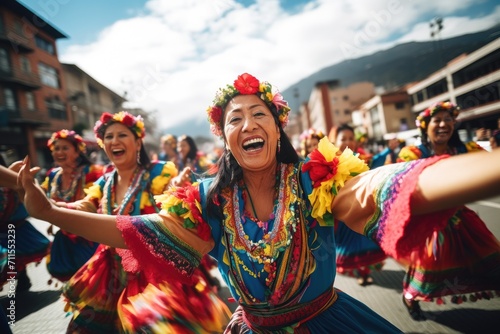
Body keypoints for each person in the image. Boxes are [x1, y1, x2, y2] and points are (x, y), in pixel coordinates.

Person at [17, 73, 500, 333]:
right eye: (234, 119)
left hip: (327, 322)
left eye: (258, 114)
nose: (247, 123)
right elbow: (140, 230)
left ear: (276, 126)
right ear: (224, 138)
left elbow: (394, 184)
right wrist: (50, 212)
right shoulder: (207, 198)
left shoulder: (317, 180)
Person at [57, 112, 230, 333]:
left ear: (138, 142)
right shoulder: (104, 181)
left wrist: (176, 186)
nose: (115, 141)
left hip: (153, 268)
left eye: (122, 135)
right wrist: (53, 209)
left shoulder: (157, 172)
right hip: (110, 272)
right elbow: (86, 206)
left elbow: (171, 200)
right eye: (109, 136)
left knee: (150, 324)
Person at [397, 101, 500, 320]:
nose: (443, 124)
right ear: (425, 126)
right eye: (437, 120)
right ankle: (410, 297)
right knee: (427, 271)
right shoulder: (414, 153)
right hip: (428, 222)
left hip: (460, 217)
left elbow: (487, 167)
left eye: (448, 119)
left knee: (490, 258)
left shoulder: (465, 150)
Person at [40, 130, 104, 284]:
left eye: (65, 148)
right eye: (56, 148)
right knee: (72, 279)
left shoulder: (92, 173)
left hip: (91, 235)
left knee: (95, 279)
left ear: (77, 152)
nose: (59, 152)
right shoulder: (53, 175)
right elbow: (46, 201)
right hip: (65, 235)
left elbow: (99, 204)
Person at [328, 124, 388, 286]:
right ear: (334, 141)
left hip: (363, 210)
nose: (348, 142)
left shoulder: (363, 159)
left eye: (351, 138)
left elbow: (376, 166)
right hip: (343, 215)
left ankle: (365, 272)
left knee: (365, 241)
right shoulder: (328, 163)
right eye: (343, 139)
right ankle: (360, 272)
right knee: (351, 246)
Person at [0, 156, 50, 293]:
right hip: (10, 229)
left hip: (15, 227)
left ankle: (22, 278)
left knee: (15, 259)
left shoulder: (11, 186)